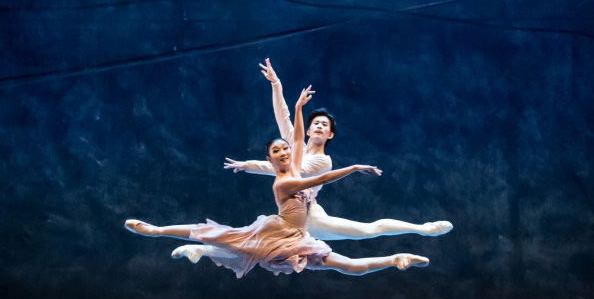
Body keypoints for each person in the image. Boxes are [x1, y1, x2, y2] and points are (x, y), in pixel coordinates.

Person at [125, 86, 429, 277]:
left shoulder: (299, 163)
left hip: (301, 236)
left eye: (285, 149)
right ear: (271, 161)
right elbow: (318, 173)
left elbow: (294, 132)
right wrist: (354, 167)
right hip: (281, 234)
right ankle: (157, 230)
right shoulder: (285, 181)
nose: (285, 151)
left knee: (346, 265)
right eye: (277, 152)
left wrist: (288, 98)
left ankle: (395, 258)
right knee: (217, 235)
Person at [175, 59, 452, 264]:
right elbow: (283, 116)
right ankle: (201, 249)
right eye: (315, 124)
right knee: (253, 242)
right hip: (293, 216)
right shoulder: (293, 146)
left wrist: (250, 165)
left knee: (369, 230)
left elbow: (294, 174)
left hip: (310, 215)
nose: (319, 127)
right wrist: (277, 85)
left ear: (330, 134)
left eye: (324, 126)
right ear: (307, 130)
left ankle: (423, 229)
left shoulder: (323, 162)